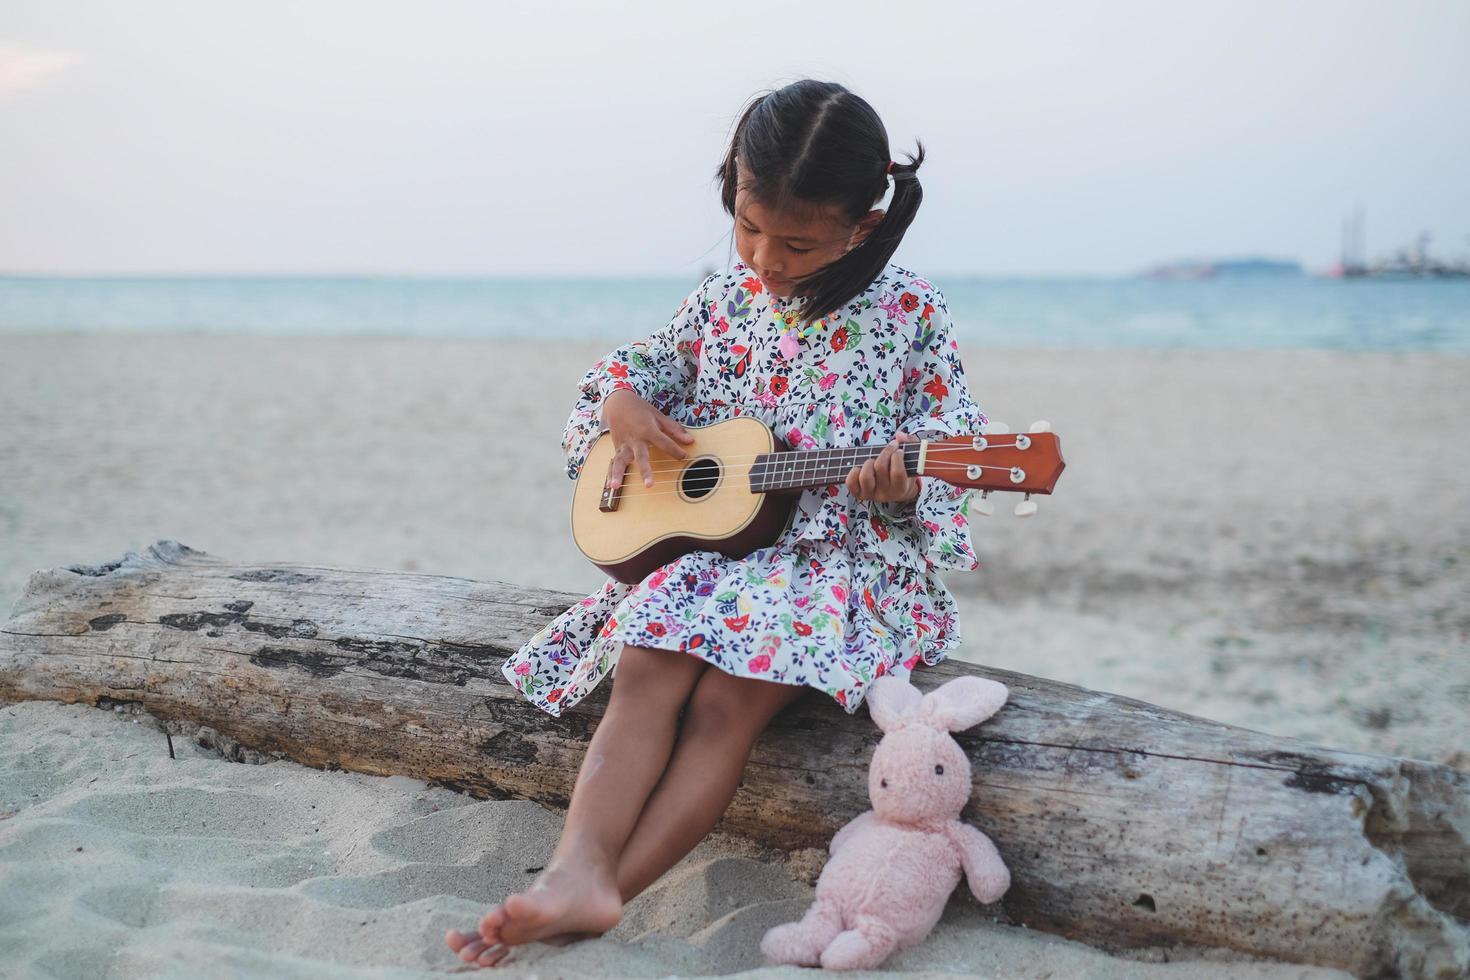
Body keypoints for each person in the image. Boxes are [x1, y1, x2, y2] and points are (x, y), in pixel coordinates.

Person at [447, 79, 989, 969]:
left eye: (797, 240)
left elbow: (951, 454)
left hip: (836, 563)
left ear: (865, 222)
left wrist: (901, 489)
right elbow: (642, 366)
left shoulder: (911, 314)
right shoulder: (725, 298)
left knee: (725, 703)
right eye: (747, 225)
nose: (765, 257)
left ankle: (607, 897)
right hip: (720, 554)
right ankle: (572, 869)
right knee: (649, 660)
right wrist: (623, 401)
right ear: (730, 187)